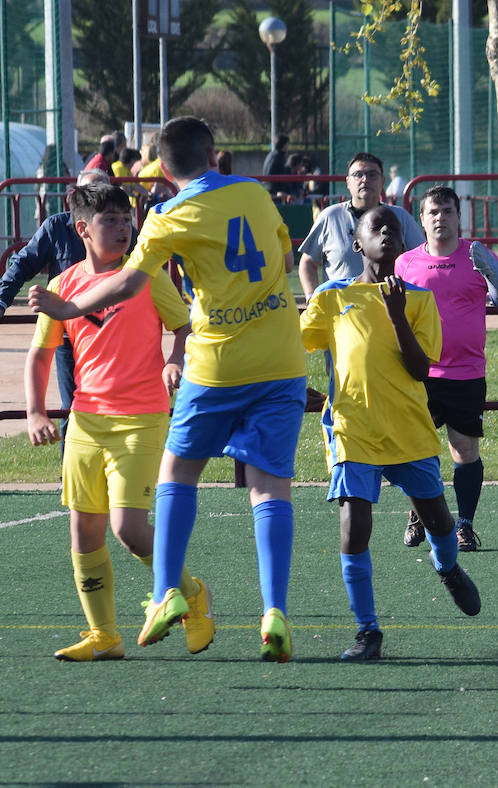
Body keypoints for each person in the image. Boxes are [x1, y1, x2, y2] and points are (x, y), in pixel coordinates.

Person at [30, 116, 308, 663]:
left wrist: (69, 308)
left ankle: (165, 595)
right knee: (270, 487)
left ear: (162, 167)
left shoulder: (165, 217)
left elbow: (131, 281)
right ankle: (274, 610)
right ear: (213, 152)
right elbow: (282, 257)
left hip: (218, 364)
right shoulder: (255, 192)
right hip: (282, 360)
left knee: (179, 473)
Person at [24, 182, 212, 662]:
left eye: (127, 220)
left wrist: (174, 360)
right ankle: (104, 636)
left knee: (128, 528)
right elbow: (40, 354)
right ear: (82, 229)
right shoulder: (64, 285)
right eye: (110, 220)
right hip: (85, 423)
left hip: (140, 420)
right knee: (84, 531)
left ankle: (191, 594)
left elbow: (184, 329)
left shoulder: (144, 276)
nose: (124, 228)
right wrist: (35, 410)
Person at [300, 205, 482, 661]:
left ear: (401, 246)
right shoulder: (332, 297)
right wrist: (293, 389)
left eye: (394, 228)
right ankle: (368, 632)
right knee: (354, 526)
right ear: (356, 243)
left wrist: (397, 312)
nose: (386, 231)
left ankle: (446, 566)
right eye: (375, 226)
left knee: (439, 520)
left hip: (407, 429)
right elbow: (298, 344)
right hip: (352, 429)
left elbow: (422, 369)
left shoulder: (418, 299)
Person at [394, 186, 498, 551]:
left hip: (466, 374)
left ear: (459, 217)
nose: (440, 218)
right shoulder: (405, 263)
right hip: (418, 375)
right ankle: (419, 514)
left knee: (465, 450)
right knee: (414, 452)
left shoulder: (477, 256)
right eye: (433, 212)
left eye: (447, 211)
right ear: (422, 219)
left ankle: (463, 525)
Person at [1, 171, 117, 422]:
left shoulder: (123, 230)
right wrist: (1, 299)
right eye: (89, 194)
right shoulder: (56, 227)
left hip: (114, 332)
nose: (97, 201)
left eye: (104, 194)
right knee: (74, 408)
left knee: (118, 403)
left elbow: (145, 270)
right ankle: (71, 460)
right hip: (70, 333)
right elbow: (24, 263)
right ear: (74, 198)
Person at [298, 152, 425, 300]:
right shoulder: (330, 216)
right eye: (358, 174)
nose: (365, 180)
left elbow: (422, 259)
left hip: (389, 307)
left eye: (372, 175)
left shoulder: (400, 217)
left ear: (383, 181)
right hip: (341, 310)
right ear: (348, 182)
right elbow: (307, 263)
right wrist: (312, 297)